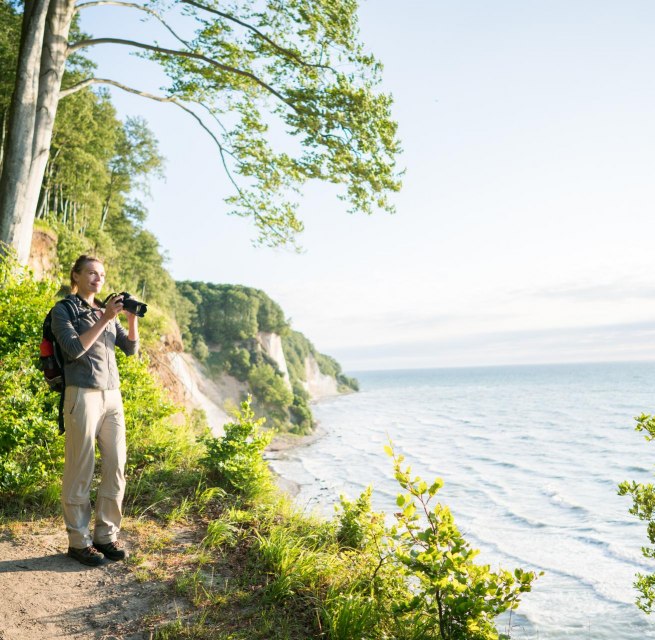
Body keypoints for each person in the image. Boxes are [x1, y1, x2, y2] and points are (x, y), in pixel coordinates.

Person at [51, 255, 139, 567]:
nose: (97, 279)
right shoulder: (64, 310)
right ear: (76, 275)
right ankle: (78, 541)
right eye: (91, 272)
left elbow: (130, 349)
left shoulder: (106, 311)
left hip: (112, 396)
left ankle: (106, 535)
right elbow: (73, 349)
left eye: (101, 274)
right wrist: (104, 319)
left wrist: (128, 318)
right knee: (81, 467)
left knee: (116, 465)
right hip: (82, 395)